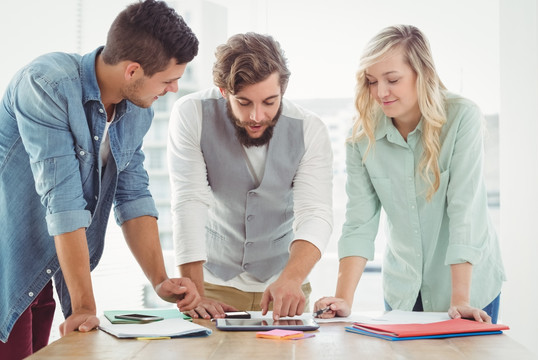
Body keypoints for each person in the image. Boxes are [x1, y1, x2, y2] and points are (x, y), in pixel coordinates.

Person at [0, 1, 200, 358]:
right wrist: (84, 308)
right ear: (133, 70)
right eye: (169, 79)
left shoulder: (137, 109)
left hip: (43, 270)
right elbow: (62, 202)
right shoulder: (46, 84)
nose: (172, 89)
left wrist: (160, 280)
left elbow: (133, 193)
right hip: (7, 265)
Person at [314, 25, 505, 323]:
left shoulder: (461, 117)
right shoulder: (362, 134)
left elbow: (464, 211)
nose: (380, 92)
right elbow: (359, 222)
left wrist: (460, 302)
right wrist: (343, 298)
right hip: (404, 290)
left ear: (422, 74)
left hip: (467, 287)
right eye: (372, 81)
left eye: (392, 80)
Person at [167, 32, 333, 321]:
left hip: (286, 285)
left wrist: (292, 279)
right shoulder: (192, 114)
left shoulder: (310, 129)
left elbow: (315, 212)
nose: (257, 116)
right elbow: (189, 201)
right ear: (223, 91)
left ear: (283, 90)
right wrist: (195, 292)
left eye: (270, 102)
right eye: (244, 103)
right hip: (213, 285)